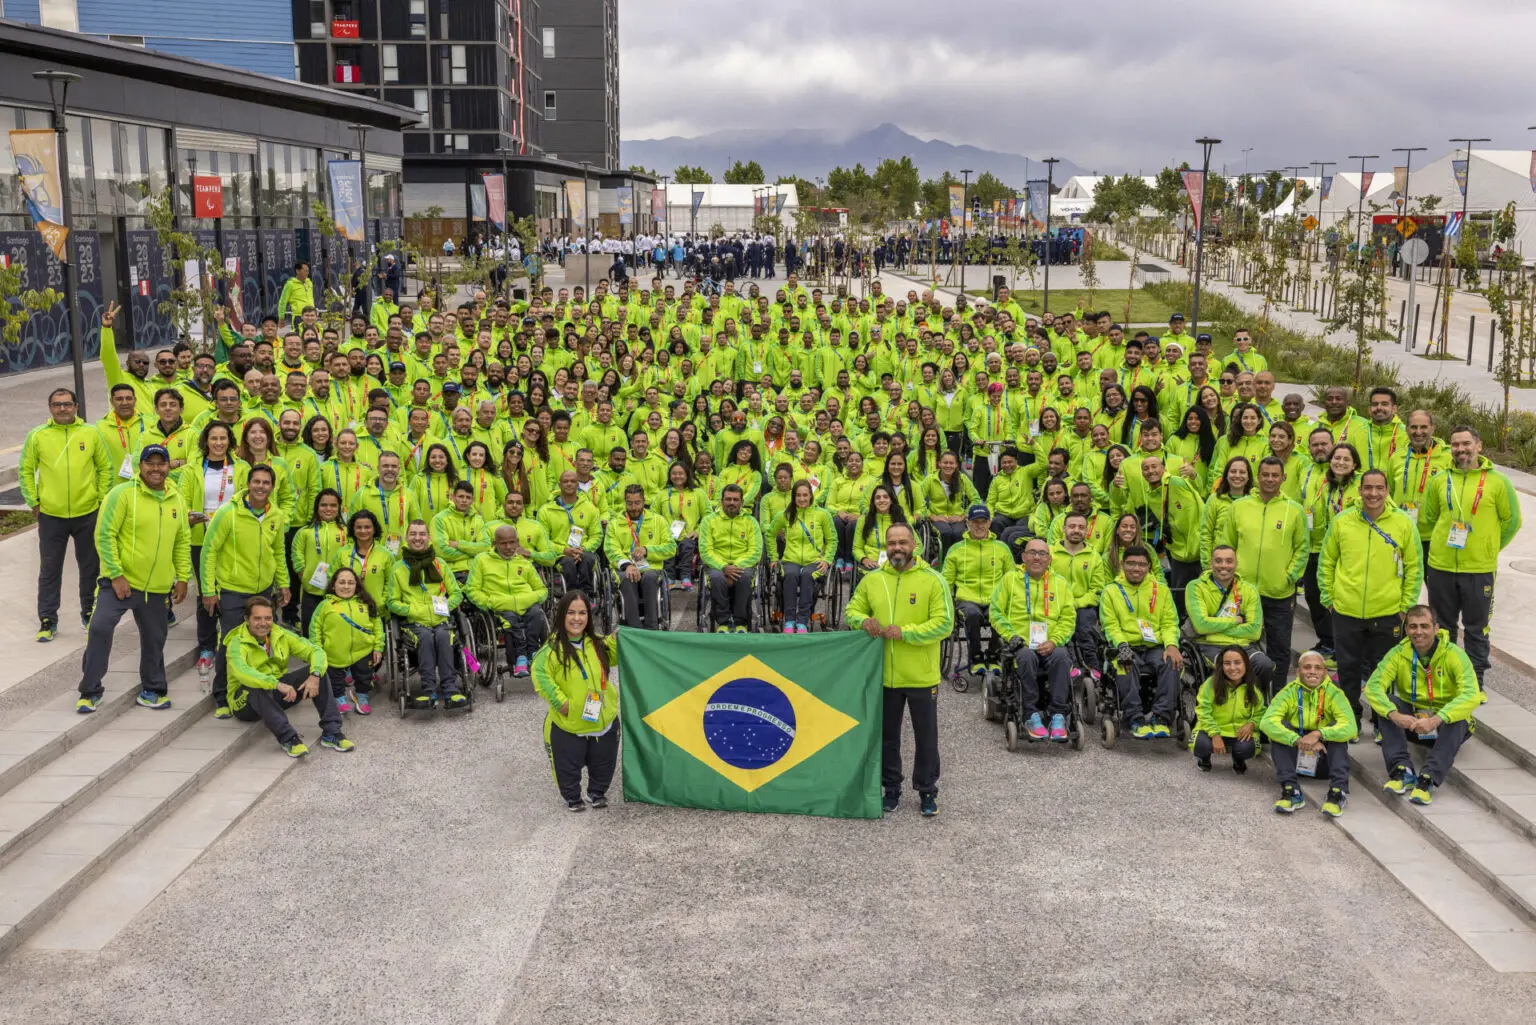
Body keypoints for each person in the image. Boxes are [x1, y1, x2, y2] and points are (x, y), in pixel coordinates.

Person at [844, 522, 954, 817]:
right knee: (888, 737)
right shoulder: (873, 580)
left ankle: (928, 790)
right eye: (892, 543)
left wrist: (905, 633)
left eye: (902, 543)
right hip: (885, 675)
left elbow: (944, 624)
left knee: (926, 738)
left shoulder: (933, 580)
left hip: (920, 675)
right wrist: (861, 621)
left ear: (914, 545)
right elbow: (852, 609)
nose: (897, 548)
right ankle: (890, 788)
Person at [76, 445, 191, 713]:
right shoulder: (122, 494)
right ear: (140, 466)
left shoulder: (177, 499)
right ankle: (89, 691)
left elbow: (182, 541)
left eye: (160, 463)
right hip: (118, 584)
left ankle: (152, 689)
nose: (155, 468)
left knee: (154, 639)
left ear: (167, 467)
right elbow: (104, 536)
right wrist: (116, 574)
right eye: (149, 463)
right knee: (100, 629)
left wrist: (182, 577)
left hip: (157, 588)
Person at [1417, 425, 1522, 685]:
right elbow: (1428, 518)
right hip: (1441, 566)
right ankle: (1445, 678)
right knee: (1442, 628)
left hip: (1479, 568)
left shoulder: (1498, 482)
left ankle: (1474, 682)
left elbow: (1513, 522)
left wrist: (1488, 547)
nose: (1461, 449)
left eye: (1466, 444)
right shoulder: (1440, 479)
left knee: (1476, 629)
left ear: (1478, 446)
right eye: (1455, 445)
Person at [1319, 467, 1422, 726]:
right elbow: (1327, 561)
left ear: (1387, 491)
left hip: (1387, 612)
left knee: (1383, 671)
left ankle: (1381, 722)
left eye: (1379, 488)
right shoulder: (1342, 521)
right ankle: (1349, 718)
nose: (1373, 493)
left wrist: (1405, 607)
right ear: (1360, 490)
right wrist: (1329, 598)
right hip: (1346, 610)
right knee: (1348, 669)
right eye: (1368, 488)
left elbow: (1414, 567)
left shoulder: (1403, 523)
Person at [1364, 606, 1481, 805]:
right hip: (1414, 723)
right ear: (1406, 629)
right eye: (1413, 627)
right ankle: (1402, 771)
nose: (1418, 632)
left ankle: (1427, 779)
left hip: (1444, 725)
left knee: (1459, 717)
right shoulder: (1398, 653)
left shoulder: (1454, 654)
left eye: (1424, 626)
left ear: (1436, 628)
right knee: (1389, 704)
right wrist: (1395, 714)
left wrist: (1437, 719)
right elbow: (1373, 687)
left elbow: (1471, 694)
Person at [22, 387, 113, 641]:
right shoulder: (37, 436)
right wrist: (34, 501)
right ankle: (48, 620)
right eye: (56, 404)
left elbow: (105, 468)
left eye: (67, 404)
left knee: (90, 567)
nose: (62, 408)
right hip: (51, 515)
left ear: (76, 407)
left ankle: (89, 613)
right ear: (49, 407)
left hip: (87, 513)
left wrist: (100, 499)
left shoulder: (91, 433)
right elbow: (26, 471)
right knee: (50, 569)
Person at [201, 464, 289, 719]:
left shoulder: (277, 516)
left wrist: (283, 583)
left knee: (261, 645)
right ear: (248, 484)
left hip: (263, 591)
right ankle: (222, 695)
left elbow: (279, 552)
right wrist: (208, 590)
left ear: (272, 487)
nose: (261, 487)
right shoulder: (227, 513)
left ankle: (256, 690)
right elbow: (209, 552)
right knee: (231, 644)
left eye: (266, 483)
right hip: (233, 591)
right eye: (257, 482)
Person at [1220, 456, 1308, 687]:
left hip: (1278, 594)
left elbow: (1302, 548)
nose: (1269, 479)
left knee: (1279, 649)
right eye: (1265, 475)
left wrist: (1289, 576)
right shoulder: (1239, 507)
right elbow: (1226, 545)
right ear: (1257, 477)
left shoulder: (1295, 510)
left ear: (1283, 478)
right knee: (1239, 647)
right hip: (1242, 592)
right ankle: (1243, 696)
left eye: (1274, 475)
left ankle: (1277, 699)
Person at [226, 595, 350, 757]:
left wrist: (315, 675)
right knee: (254, 686)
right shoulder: (236, 642)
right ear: (246, 619)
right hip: (245, 703)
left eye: (268, 618)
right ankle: (289, 739)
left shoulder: (280, 634)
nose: (263, 623)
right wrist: (276, 684)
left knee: (318, 670)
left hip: (279, 692)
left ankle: (332, 732)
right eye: (257, 618)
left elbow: (315, 651)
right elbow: (244, 673)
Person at [531, 590, 619, 811]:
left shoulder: (597, 643)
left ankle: (596, 792)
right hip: (568, 722)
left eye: (582, 613)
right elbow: (540, 675)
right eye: (571, 612)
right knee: (567, 765)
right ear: (561, 615)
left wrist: (619, 640)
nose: (577, 618)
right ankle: (572, 796)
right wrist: (562, 704)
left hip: (603, 717)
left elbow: (616, 656)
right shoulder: (550, 650)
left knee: (604, 762)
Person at [991, 538, 1075, 742]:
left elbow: (1068, 618)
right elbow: (995, 613)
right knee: (1026, 657)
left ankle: (1058, 715)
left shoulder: (1060, 584)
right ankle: (1030, 715)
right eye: (1032, 552)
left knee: (1063, 657)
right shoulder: (1010, 580)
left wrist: (1055, 640)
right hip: (1022, 644)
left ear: (1049, 559)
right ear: (1024, 557)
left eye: (1042, 553)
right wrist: (1013, 637)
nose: (1037, 557)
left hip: (1051, 643)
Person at [1098, 545, 1181, 739]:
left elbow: (1170, 622)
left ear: (1149, 567)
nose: (1136, 568)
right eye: (1131, 564)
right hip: (1127, 645)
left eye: (1142, 564)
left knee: (1172, 662)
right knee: (1124, 663)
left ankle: (1161, 717)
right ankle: (1135, 717)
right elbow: (1110, 625)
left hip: (1155, 646)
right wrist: (1121, 645)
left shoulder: (1161, 591)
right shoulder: (1111, 591)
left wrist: (1171, 645)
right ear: (1122, 565)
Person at [1261, 650, 1357, 818]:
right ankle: (1291, 791)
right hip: (1296, 759)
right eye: (1307, 667)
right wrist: (1297, 740)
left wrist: (1319, 734)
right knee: (1280, 728)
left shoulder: (1335, 693)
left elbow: (1351, 727)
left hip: (1323, 760)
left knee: (1338, 731)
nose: (1312, 671)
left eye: (1317, 668)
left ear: (1324, 672)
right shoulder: (1288, 692)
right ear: (1298, 672)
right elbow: (1266, 722)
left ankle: (1337, 792)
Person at [386, 520, 466, 708]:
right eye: (413, 534)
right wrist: (413, 610)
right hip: (414, 623)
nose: (418, 538)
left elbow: (457, 594)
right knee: (425, 638)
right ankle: (428, 690)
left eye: (422, 534)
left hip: (441, 620)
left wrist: (445, 606)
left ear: (429, 538)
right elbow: (391, 601)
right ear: (407, 537)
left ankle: (450, 689)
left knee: (443, 636)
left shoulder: (441, 565)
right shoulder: (398, 569)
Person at [1185, 544, 1275, 692]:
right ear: (1211, 563)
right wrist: (1235, 621)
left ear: (1236, 564)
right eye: (1218, 561)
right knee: (1229, 667)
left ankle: (1261, 708)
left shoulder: (1249, 590)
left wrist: (1212, 630)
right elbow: (1201, 626)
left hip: (1243, 645)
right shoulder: (1195, 587)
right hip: (1211, 646)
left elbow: (1254, 631)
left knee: (1264, 665)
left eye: (1228, 561)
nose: (1223, 565)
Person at [941, 504, 1013, 682]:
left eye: (983, 522)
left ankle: (993, 654)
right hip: (967, 599)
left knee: (1000, 613)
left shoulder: (1002, 548)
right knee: (972, 614)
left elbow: (1011, 578)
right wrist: (946, 603)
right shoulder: (956, 550)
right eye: (975, 522)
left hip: (994, 599)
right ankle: (975, 656)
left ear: (989, 523)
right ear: (967, 523)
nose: (979, 526)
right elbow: (946, 580)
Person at [466, 524, 549, 677]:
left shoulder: (524, 562)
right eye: (503, 543)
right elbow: (472, 590)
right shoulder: (482, 560)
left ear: (518, 542)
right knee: (510, 619)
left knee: (537, 613)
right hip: (500, 605)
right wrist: (490, 602)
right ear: (494, 544)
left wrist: (531, 598)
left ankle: (533, 653)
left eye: (512, 542)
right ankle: (519, 658)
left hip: (525, 602)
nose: (508, 546)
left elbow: (542, 589)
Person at [307, 566, 383, 717]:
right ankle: (339, 698)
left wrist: (378, 647)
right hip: (334, 652)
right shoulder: (324, 606)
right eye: (342, 582)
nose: (346, 586)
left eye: (350, 583)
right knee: (335, 679)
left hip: (363, 651)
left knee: (364, 676)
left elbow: (377, 627)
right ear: (333, 585)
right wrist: (318, 650)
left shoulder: (366, 603)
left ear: (357, 585)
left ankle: (361, 696)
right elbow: (314, 629)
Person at [763, 479, 835, 634]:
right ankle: (789, 620)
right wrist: (774, 557)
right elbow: (770, 534)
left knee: (808, 575)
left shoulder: (822, 515)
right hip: (791, 559)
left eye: (805, 495)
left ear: (811, 496)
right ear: (793, 497)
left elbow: (832, 540)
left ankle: (802, 620)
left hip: (814, 560)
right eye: (798, 496)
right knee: (790, 575)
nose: (802, 499)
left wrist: (827, 560)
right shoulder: (785, 515)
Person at [606, 484, 676, 630]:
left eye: (637, 502)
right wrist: (627, 565)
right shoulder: (614, 524)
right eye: (629, 503)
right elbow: (611, 550)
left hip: (650, 567)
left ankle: (652, 627)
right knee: (627, 578)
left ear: (644, 502)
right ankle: (634, 628)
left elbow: (671, 548)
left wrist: (647, 550)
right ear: (625, 502)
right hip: (624, 568)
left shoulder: (658, 521)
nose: (633, 507)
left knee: (650, 577)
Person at [698, 483, 763, 633]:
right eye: (728, 499)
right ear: (721, 501)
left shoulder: (751, 521)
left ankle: (741, 622)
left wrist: (735, 567)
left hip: (743, 564)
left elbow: (755, 550)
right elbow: (706, 550)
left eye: (735, 499)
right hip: (717, 565)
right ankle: (723, 622)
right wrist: (723, 567)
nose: (732, 503)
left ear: (742, 502)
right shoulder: (709, 521)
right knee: (717, 578)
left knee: (745, 577)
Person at [1192, 645, 1265, 774]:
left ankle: (1238, 759)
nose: (1232, 668)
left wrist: (1252, 724)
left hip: (1239, 732)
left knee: (1246, 749)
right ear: (1221, 666)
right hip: (1212, 730)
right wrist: (1214, 734)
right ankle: (1204, 759)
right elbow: (1203, 710)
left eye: (1237, 663)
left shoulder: (1252, 686)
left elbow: (1261, 712)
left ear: (1246, 664)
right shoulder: (1211, 684)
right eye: (1227, 663)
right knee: (1201, 745)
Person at [538, 469, 603, 595]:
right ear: (559, 484)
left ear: (578, 485)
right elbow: (543, 541)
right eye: (565, 481)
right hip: (560, 554)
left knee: (588, 560)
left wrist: (583, 549)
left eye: (573, 481)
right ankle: (571, 597)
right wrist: (564, 550)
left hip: (584, 551)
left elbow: (597, 535)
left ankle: (587, 596)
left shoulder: (590, 508)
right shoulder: (545, 511)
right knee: (568, 563)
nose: (569, 484)